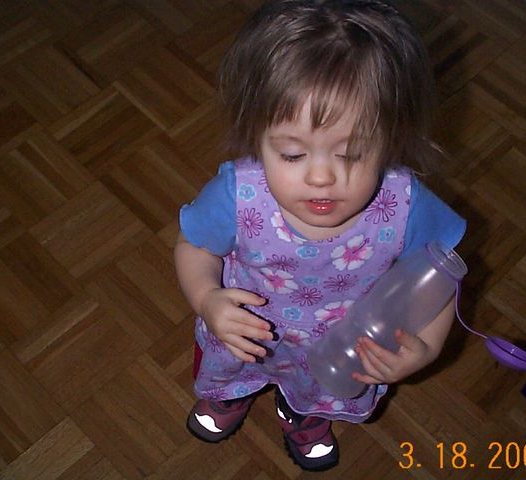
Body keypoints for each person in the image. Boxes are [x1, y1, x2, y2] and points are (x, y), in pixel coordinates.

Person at [174, 0, 466, 471]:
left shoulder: (408, 206)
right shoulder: (237, 194)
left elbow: (439, 284)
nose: (321, 178)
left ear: (392, 137)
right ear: (257, 133)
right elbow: (194, 246)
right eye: (292, 154)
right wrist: (207, 298)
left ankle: (302, 415)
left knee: (317, 390)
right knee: (233, 367)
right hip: (244, 333)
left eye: (352, 154)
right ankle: (230, 396)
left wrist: (427, 349)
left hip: (339, 348)